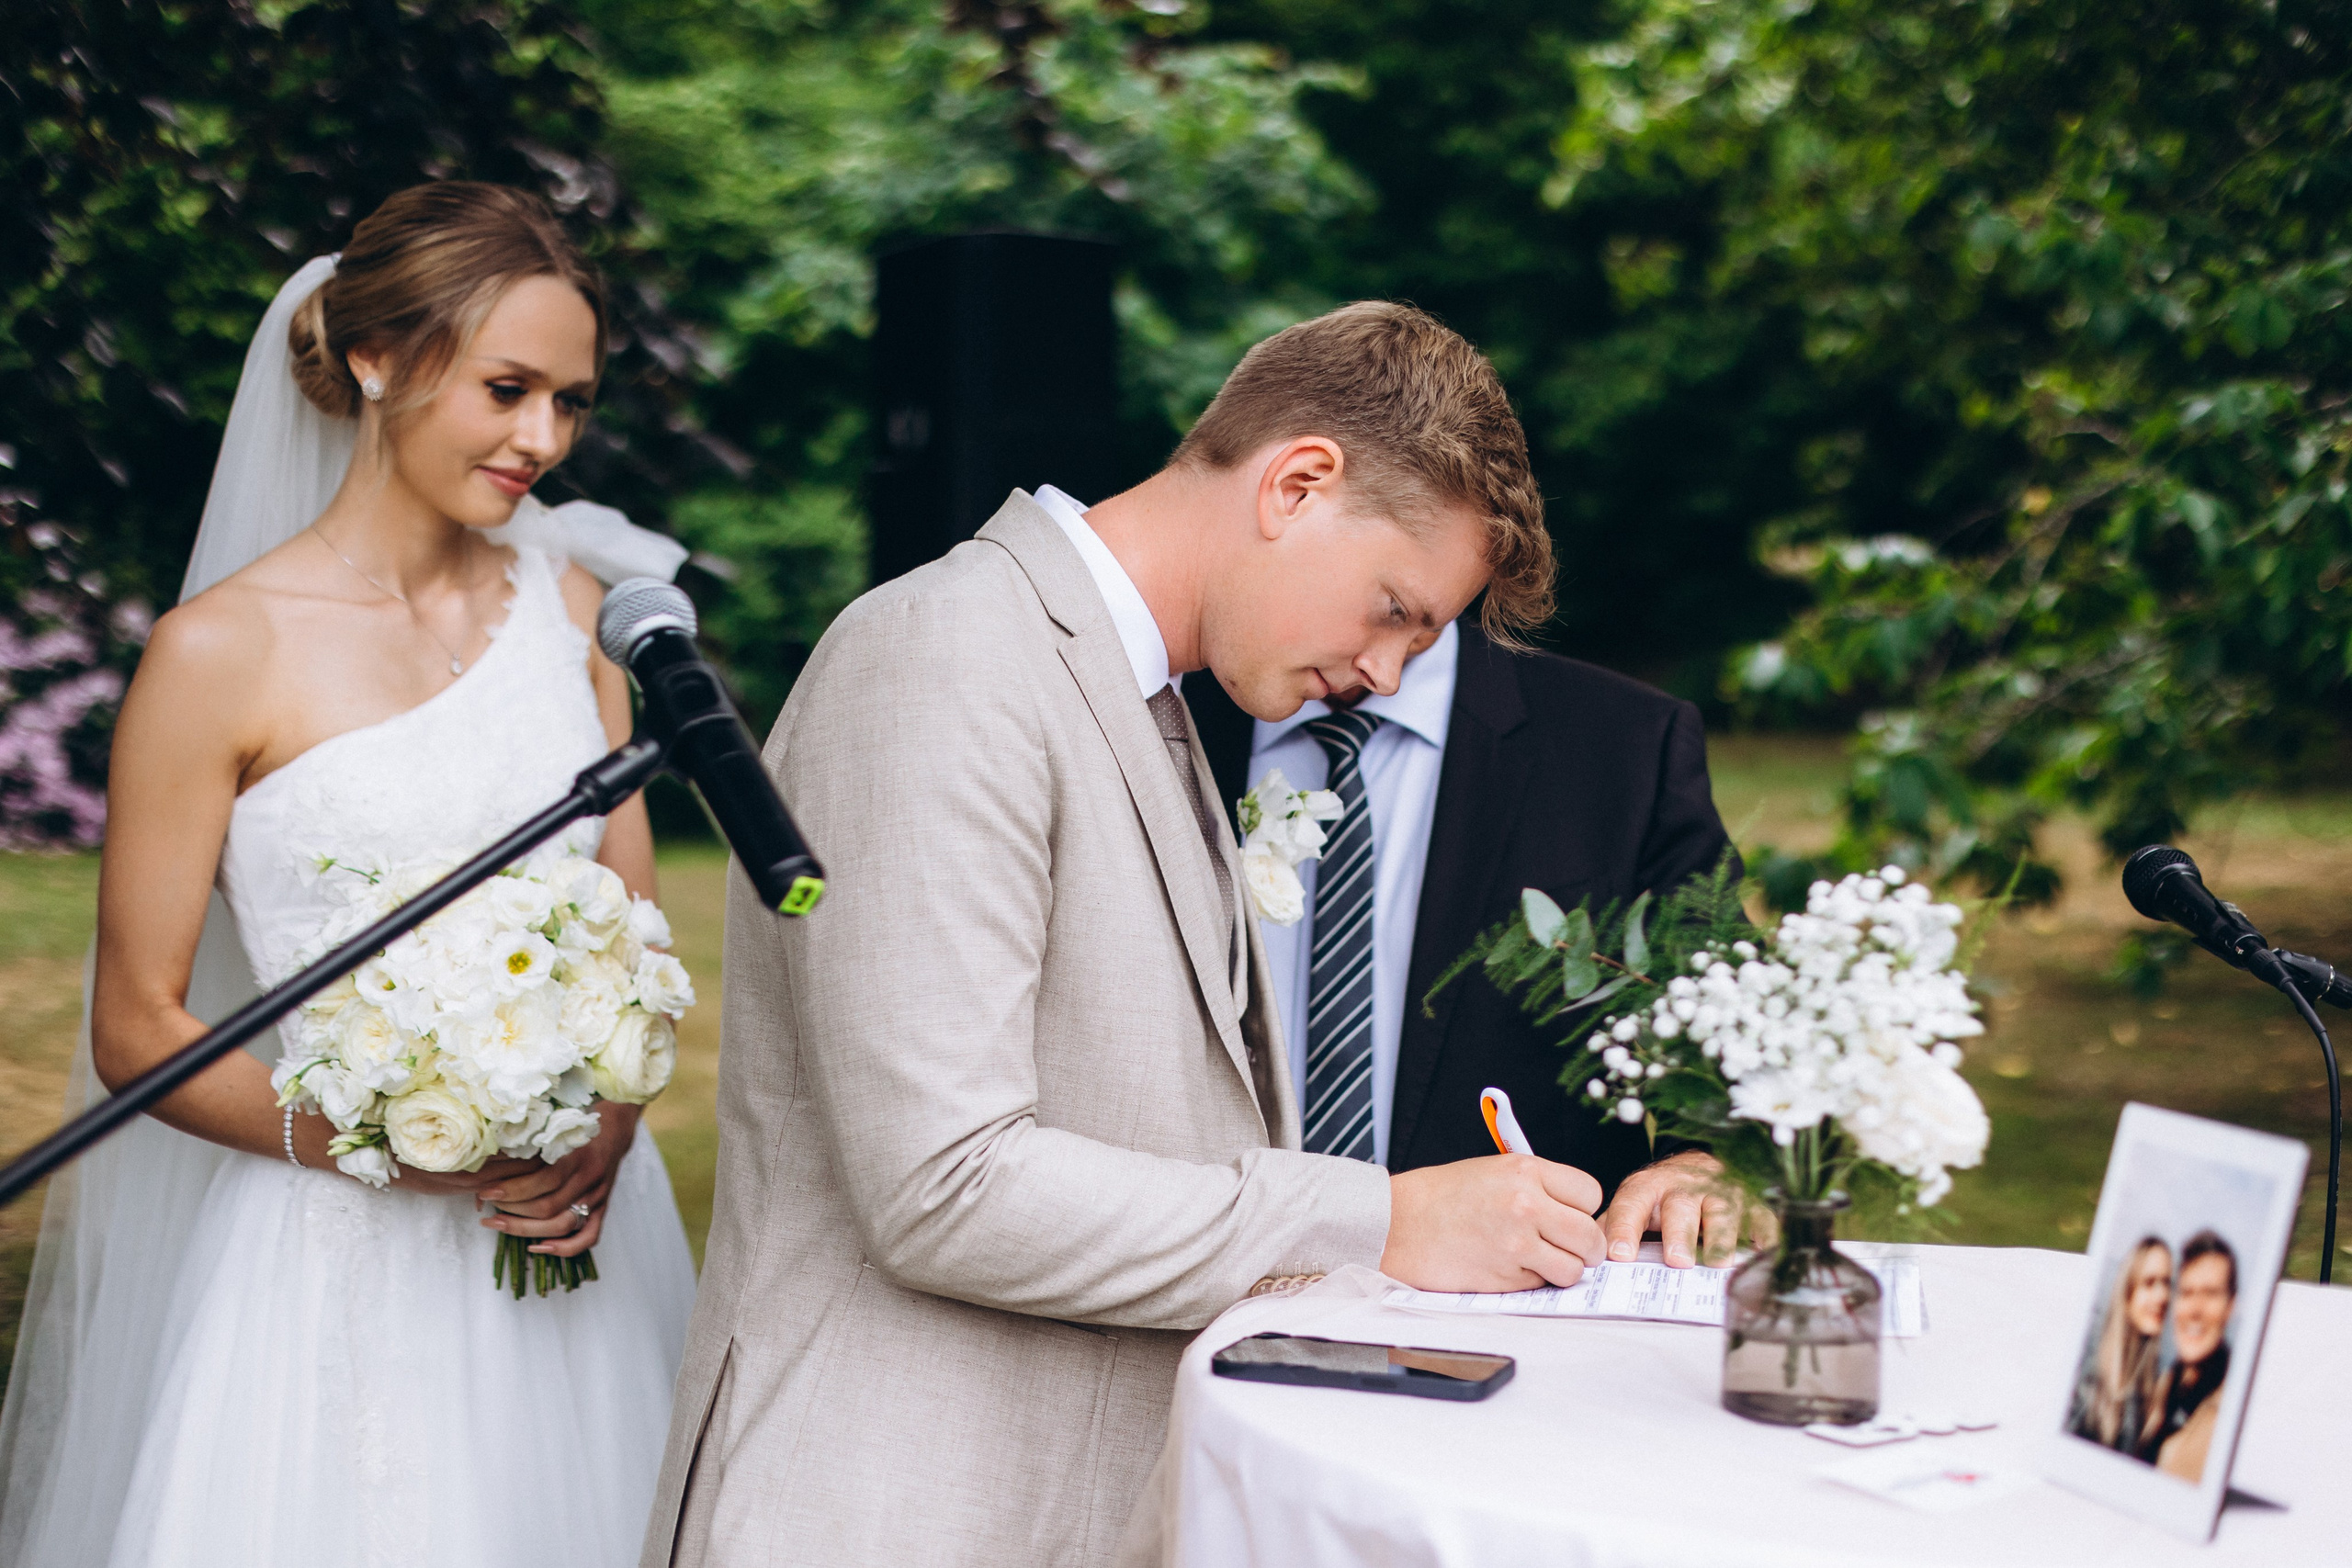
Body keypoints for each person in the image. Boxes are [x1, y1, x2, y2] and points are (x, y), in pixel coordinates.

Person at [649, 302, 1609, 1567]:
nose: (1389, 672)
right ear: (1298, 482)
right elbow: (945, 1184)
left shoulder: (1141, 691)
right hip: (892, 1503)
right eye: (1397, 610)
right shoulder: (942, 655)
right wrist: (1378, 1218)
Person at [0, 184, 695, 1568]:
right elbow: (138, 1027)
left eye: (571, 399)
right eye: (507, 388)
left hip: (574, 1247)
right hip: (329, 1262)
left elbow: (637, 936)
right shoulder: (219, 653)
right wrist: (403, 1146)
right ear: (376, 358)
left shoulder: (576, 617)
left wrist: (609, 1114)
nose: (542, 439)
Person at [1182, 577, 1738, 1264]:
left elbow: (1730, 1021)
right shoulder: (1168, 718)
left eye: (1407, 614)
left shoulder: (1622, 743)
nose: (1384, 664)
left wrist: (1705, 1158)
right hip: (1204, 1279)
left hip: (1510, 1313)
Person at [2144, 1229, 2237, 1483]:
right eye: (2186, 1293)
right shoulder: (2167, 1384)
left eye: (2210, 1294)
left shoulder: (2227, 1415)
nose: (2195, 1310)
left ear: (2231, 1306)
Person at [2065, 1235, 2172, 1453]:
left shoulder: (2160, 1381)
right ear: (2127, 1292)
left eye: (2167, 1283)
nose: (2162, 1296)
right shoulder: (2089, 1381)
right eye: (2149, 1283)